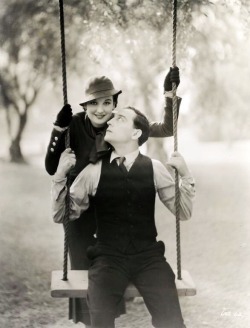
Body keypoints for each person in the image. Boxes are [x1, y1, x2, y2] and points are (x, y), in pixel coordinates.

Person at [45, 69, 181, 326]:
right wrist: (57, 129)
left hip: (111, 210)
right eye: (93, 103)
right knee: (87, 278)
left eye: (107, 102)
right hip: (80, 211)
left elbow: (165, 127)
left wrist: (169, 95)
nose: (100, 110)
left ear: (115, 104)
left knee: (110, 275)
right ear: (85, 106)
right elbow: (52, 166)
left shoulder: (119, 125)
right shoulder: (74, 125)